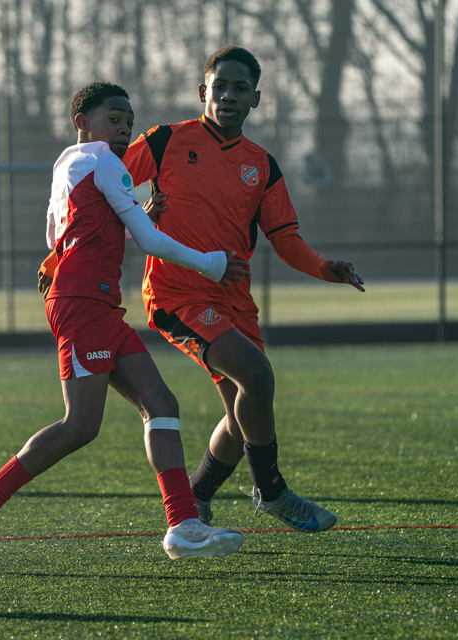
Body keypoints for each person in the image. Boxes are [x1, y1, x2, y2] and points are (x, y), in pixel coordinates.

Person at [40, 47, 365, 532]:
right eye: (220, 87)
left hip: (234, 300)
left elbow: (286, 239)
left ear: (255, 98)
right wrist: (58, 256)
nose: (228, 96)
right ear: (202, 92)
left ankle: (197, 494)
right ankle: (272, 490)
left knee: (241, 415)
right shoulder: (166, 140)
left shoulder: (262, 166)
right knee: (257, 375)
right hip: (177, 295)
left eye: (240, 89)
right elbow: (95, 188)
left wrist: (323, 266)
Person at [0, 82, 250, 566]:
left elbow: (64, 234)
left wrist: (127, 220)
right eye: (114, 118)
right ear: (82, 122)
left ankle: (183, 525)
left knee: (161, 404)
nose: (125, 127)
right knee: (80, 425)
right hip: (84, 302)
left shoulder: (68, 164)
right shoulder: (105, 162)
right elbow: (150, 241)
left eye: (129, 120)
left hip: (96, 302)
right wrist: (211, 263)